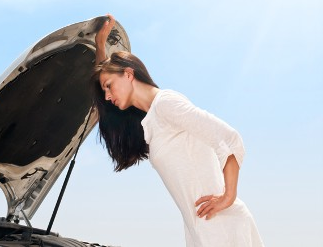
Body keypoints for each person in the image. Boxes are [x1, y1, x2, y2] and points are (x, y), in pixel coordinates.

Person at [91, 15, 264, 247]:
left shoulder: (165, 104)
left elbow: (229, 139)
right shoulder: (150, 121)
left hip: (223, 229)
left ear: (129, 74)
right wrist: (100, 48)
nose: (108, 96)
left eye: (109, 87)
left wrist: (228, 197)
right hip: (200, 230)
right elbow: (103, 100)